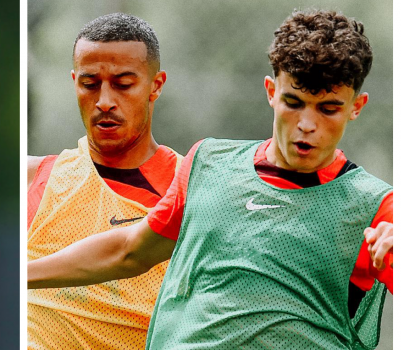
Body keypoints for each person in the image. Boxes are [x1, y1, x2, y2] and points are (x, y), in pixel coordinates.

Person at [28, 9, 393, 349]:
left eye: (329, 109)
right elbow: (129, 251)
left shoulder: (376, 207)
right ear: (271, 92)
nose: (307, 125)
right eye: (294, 102)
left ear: (356, 108)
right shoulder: (208, 164)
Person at [27, 13, 182, 349]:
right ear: (74, 82)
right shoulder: (34, 177)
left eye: (123, 84)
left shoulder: (188, 185)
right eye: (90, 83)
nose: (105, 101)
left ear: (156, 85)